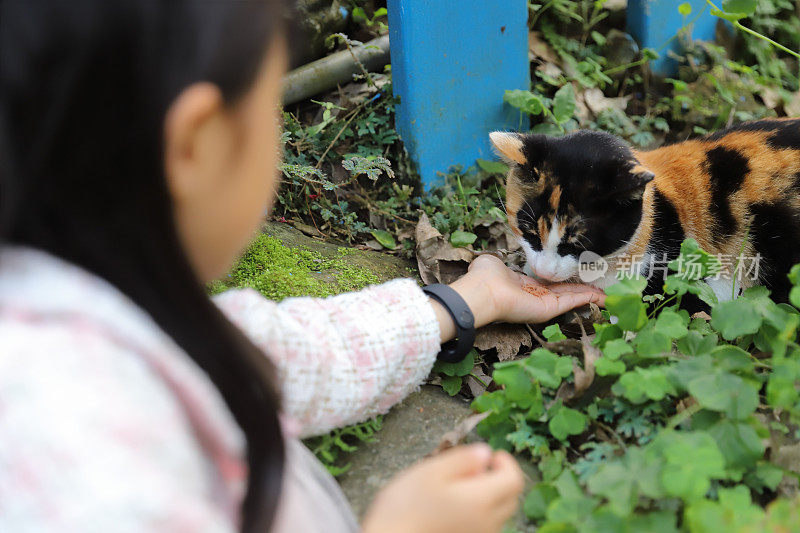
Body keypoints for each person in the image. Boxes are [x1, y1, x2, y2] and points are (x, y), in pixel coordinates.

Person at [0, 1, 605, 532]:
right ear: (196, 145)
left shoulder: (96, 314)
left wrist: (468, 300)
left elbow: (285, 355)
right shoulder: (69, 473)